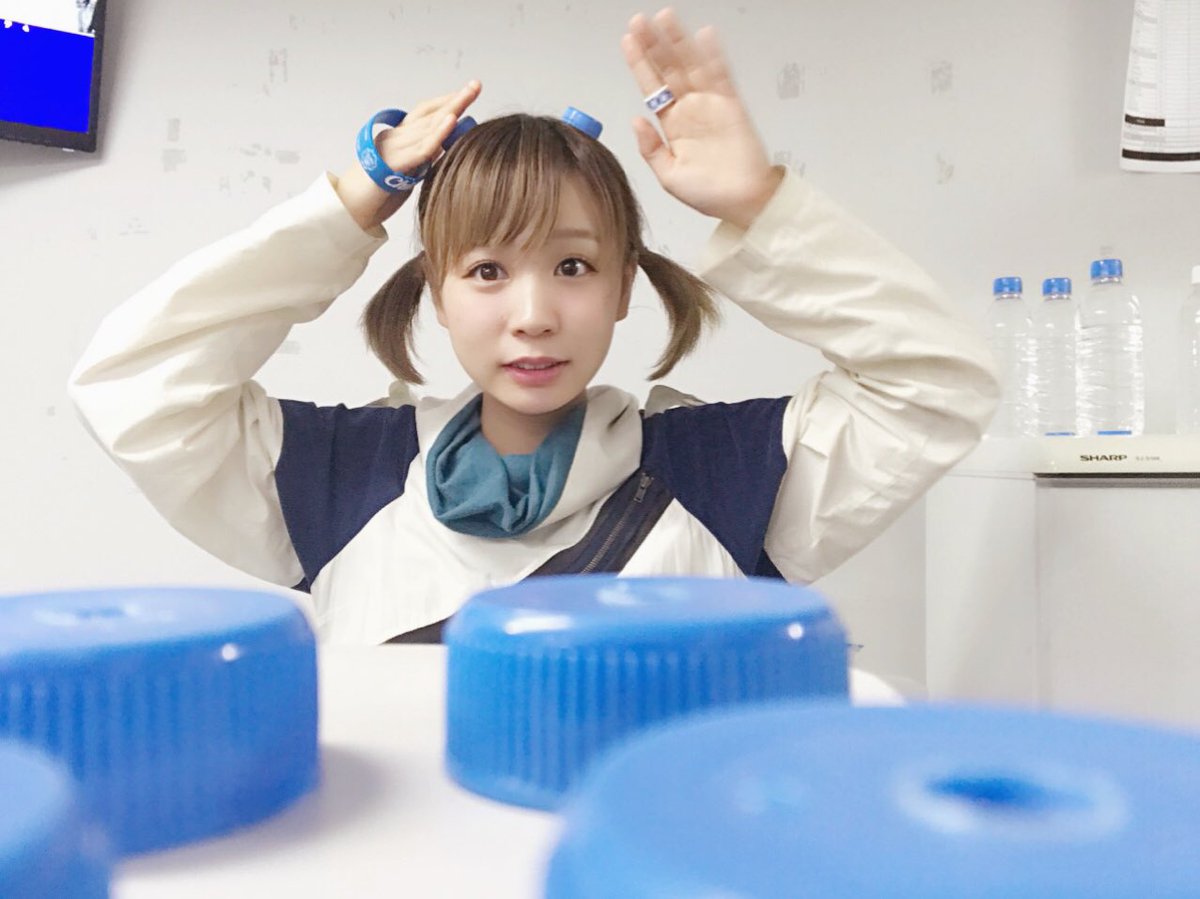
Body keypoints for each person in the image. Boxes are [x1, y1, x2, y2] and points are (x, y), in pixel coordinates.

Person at [69, 9, 999, 645]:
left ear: (624, 285)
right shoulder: (338, 477)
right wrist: (351, 201)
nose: (533, 315)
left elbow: (937, 386)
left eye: (573, 266)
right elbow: (134, 387)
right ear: (437, 293)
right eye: (486, 270)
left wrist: (759, 203)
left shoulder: (730, 476)